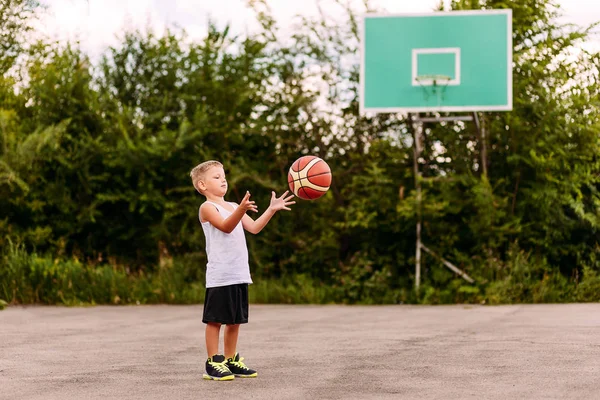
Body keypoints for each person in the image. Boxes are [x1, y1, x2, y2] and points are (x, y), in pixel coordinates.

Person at [189, 160, 295, 381]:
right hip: (220, 274)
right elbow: (227, 227)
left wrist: (271, 209)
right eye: (216, 177)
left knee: (235, 320)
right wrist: (240, 209)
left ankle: (230, 360)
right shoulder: (207, 208)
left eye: (224, 175)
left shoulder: (232, 205)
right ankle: (213, 362)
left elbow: (254, 228)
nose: (223, 179)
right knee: (215, 320)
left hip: (239, 272)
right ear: (202, 185)